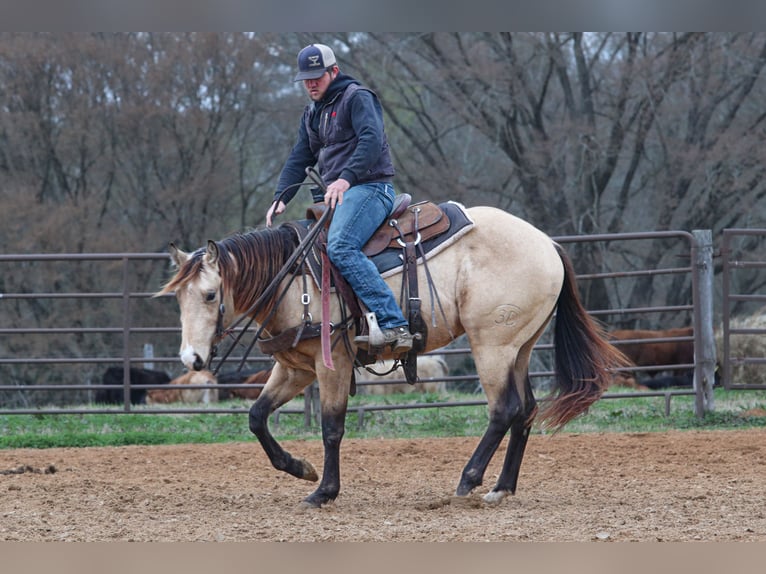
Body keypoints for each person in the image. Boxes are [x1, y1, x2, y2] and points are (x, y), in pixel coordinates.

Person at [266, 43, 413, 353]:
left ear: (334, 71)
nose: (311, 83)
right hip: (340, 195)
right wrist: (282, 195)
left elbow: (371, 140)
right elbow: (299, 156)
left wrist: (345, 179)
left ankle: (393, 324)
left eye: (317, 76)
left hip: (371, 188)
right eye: (306, 78)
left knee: (341, 246)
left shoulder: (357, 98)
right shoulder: (311, 113)